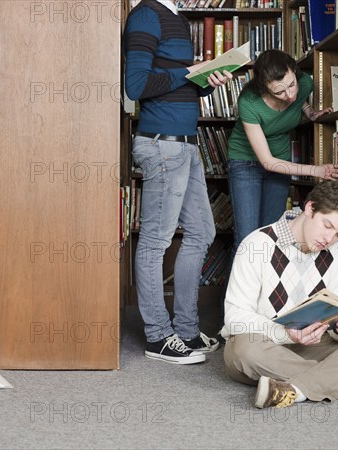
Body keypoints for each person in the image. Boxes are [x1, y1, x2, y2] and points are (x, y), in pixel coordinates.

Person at [221, 180, 338, 408]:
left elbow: (335, 311)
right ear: (310, 208)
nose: (329, 239)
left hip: (315, 346)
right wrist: (288, 334)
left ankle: (294, 390)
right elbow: (235, 318)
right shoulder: (256, 246)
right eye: (327, 225)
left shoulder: (337, 256)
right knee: (242, 350)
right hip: (265, 348)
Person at [124, 0, 232, 364]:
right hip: (161, 145)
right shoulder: (145, 14)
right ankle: (158, 337)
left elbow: (180, 82)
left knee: (203, 231)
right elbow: (136, 85)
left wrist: (207, 81)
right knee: (156, 241)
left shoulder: (177, 18)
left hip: (185, 145)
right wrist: (189, 71)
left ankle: (185, 328)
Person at [227, 49, 338, 256]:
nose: (290, 95)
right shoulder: (248, 101)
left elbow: (299, 101)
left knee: (271, 235)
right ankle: (242, 289)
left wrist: (311, 113)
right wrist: (317, 171)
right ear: (264, 88)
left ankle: (269, 289)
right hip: (246, 163)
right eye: (279, 92)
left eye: (292, 85)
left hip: (281, 164)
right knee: (247, 239)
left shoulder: (305, 85)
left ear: (296, 74)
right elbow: (267, 161)